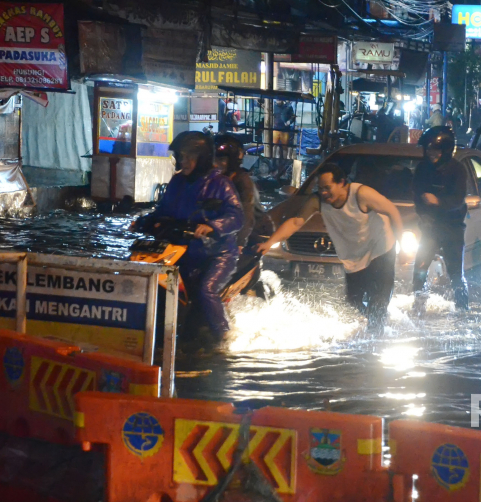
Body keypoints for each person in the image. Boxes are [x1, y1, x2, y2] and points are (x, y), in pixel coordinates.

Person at [256, 163, 403, 334]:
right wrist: (268, 243)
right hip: (355, 257)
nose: (324, 193)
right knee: (353, 301)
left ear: (342, 183)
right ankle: (375, 320)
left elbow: (393, 211)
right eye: (320, 188)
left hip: (381, 250)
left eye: (328, 188)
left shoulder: (361, 194)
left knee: (378, 300)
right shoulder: (317, 200)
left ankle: (375, 340)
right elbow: (296, 222)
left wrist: (401, 246)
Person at [135, 131, 243, 346]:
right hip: (183, 250)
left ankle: (225, 337)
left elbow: (237, 216)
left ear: (201, 158)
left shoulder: (221, 184)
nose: (182, 162)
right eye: (180, 157)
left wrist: (212, 226)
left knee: (206, 290)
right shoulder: (177, 182)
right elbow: (162, 210)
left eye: (187, 157)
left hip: (216, 254)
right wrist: (144, 222)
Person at [412, 126, 469, 312]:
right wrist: (424, 214)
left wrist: (437, 201)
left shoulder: (458, 170)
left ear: (445, 151)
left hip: (452, 227)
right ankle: (418, 307)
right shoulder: (422, 169)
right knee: (419, 268)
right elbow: (417, 195)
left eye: (436, 150)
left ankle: (462, 308)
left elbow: (458, 199)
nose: (431, 154)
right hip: (430, 227)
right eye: (428, 150)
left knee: (455, 273)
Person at [214, 135, 275, 249]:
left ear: (232, 161)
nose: (215, 164)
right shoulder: (216, 181)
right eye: (214, 159)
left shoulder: (242, 181)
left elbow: (246, 214)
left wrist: (240, 243)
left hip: (254, 236)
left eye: (221, 160)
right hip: (227, 234)